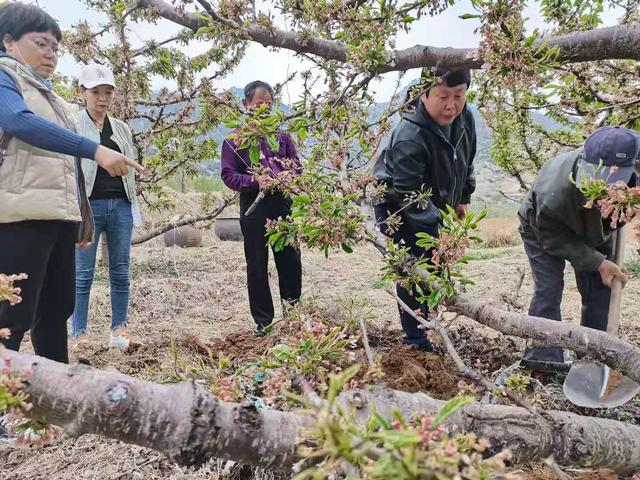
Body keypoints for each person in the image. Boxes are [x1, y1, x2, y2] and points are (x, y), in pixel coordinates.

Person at [0, 2, 142, 364]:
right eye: (41, 43)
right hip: (18, 218)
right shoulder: (5, 79)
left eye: (55, 47)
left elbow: (67, 167)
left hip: (57, 217)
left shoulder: (51, 96)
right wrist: (95, 150)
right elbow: (20, 123)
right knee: (11, 316)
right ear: (9, 42)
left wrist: (81, 219)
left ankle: (56, 402)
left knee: (56, 307)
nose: (51, 54)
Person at [373, 67, 476, 351]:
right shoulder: (410, 135)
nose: (451, 105)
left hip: (435, 201)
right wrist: (438, 230)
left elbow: (467, 160)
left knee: (436, 267)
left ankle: (431, 326)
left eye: (459, 96)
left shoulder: (464, 118)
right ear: (424, 93)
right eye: (443, 96)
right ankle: (417, 340)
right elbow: (409, 194)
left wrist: (462, 198)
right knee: (413, 270)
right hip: (399, 209)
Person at [518, 126, 637, 371]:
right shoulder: (554, 192)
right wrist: (597, 261)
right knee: (548, 290)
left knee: (600, 288)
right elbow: (552, 237)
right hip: (543, 228)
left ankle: (594, 356)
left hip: (600, 224)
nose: (603, 189)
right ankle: (543, 361)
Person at [220, 80, 302, 336]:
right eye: (259, 104)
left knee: (290, 259)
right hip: (253, 206)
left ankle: (293, 316)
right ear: (246, 105)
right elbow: (228, 175)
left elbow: (296, 166)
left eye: (269, 104)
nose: (265, 109)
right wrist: (255, 180)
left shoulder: (282, 136)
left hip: (282, 202)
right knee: (256, 263)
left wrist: (290, 176)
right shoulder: (235, 140)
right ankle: (263, 321)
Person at [71, 64, 142, 349]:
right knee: (82, 272)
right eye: (95, 91)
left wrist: (132, 200)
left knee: (121, 270)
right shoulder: (74, 124)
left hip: (120, 206)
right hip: (88, 207)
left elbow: (131, 167)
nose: (102, 98)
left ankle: (119, 329)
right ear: (82, 93)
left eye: (107, 92)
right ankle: (79, 332)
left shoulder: (121, 128)